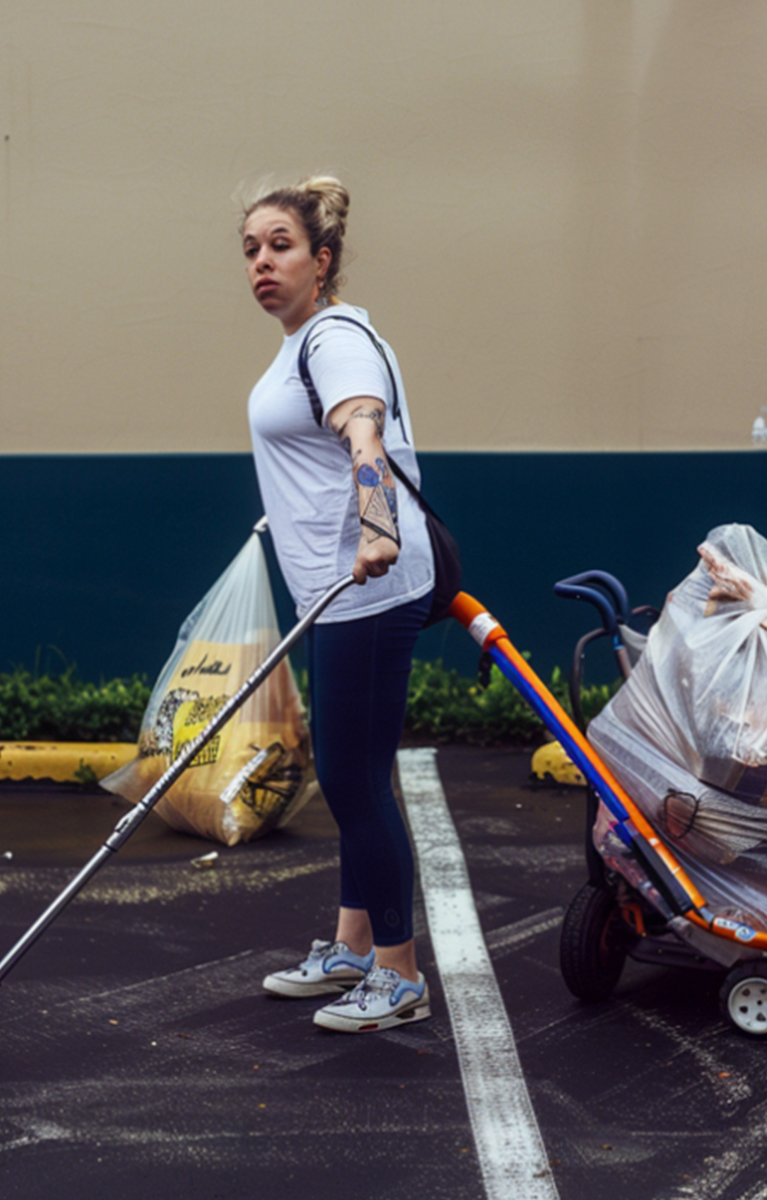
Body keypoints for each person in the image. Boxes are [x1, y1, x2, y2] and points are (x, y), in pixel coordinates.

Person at [240, 176, 435, 1033]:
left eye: (279, 245)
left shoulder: (336, 337)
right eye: (249, 249)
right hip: (334, 587)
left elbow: (364, 429)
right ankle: (355, 947)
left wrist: (376, 525)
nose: (261, 263)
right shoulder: (299, 345)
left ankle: (397, 973)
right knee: (355, 771)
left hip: (367, 583)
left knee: (354, 779)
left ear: (322, 262)